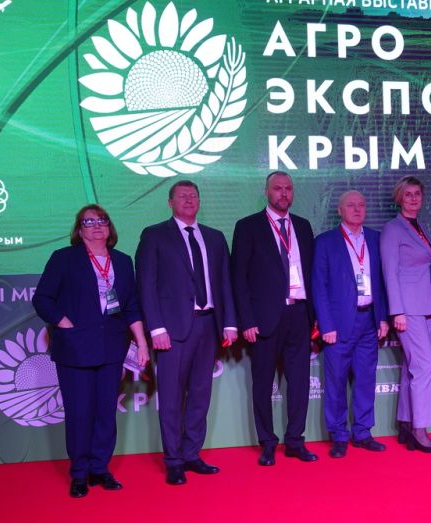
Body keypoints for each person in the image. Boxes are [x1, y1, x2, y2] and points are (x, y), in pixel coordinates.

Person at [33, 205, 149, 498]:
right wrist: (64, 322)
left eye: (102, 220)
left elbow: (131, 306)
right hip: (75, 348)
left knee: (105, 412)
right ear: (79, 229)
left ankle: (100, 467)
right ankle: (79, 473)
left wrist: (141, 342)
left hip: (111, 347)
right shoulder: (64, 258)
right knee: (80, 412)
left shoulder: (122, 261)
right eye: (89, 222)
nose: (96, 226)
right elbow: (42, 298)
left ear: (110, 228)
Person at [135, 180, 237, 485]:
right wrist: (156, 327)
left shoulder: (215, 237)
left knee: (200, 395)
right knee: (170, 397)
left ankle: (192, 454)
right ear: (170, 202)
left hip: (209, 325)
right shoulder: (154, 235)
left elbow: (225, 282)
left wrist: (230, 323)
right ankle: (174, 460)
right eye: (182, 196)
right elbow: (146, 285)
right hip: (172, 329)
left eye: (193, 195)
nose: (189, 200)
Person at [231, 171, 317, 466]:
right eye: (278, 188)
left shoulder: (303, 226)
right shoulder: (248, 226)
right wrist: (246, 320)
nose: (284, 193)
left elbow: (311, 274)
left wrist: (314, 316)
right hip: (264, 318)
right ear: (266, 192)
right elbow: (239, 278)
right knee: (263, 383)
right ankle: (267, 442)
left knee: (300, 383)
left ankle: (295, 440)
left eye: (288, 188)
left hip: (299, 314)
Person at [312, 191, 390, 458]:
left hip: (369, 319)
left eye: (361, 205)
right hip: (338, 323)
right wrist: (326, 325)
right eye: (351, 205)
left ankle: (363, 432)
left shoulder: (376, 239)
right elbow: (319, 286)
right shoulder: (325, 242)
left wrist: (382, 317)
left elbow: (382, 281)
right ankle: (338, 435)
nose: (357, 209)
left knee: (366, 379)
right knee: (336, 381)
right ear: (340, 210)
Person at [381, 176, 431, 453]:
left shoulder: (419, 226)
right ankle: (420, 430)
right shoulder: (392, 229)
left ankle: (406, 424)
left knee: (412, 366)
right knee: (425, 367)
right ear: (399, 198)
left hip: (426, 307)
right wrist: (397, 311)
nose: (414, 198)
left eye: (418, 193)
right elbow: (390, 272)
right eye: (408, 194)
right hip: (408, 309)